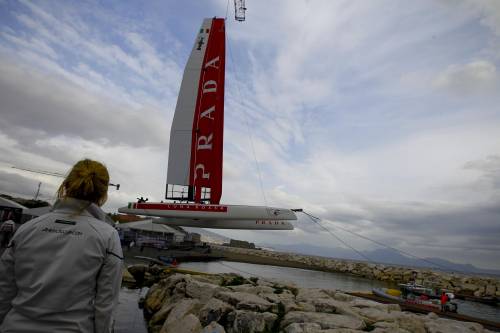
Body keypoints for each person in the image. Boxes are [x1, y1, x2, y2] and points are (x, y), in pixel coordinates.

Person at [0, 159, 123, 333]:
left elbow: (5, 289)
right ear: (103, 194)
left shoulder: (27, 229)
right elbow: (106, 305)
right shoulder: (108, 236)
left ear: (65, 185)